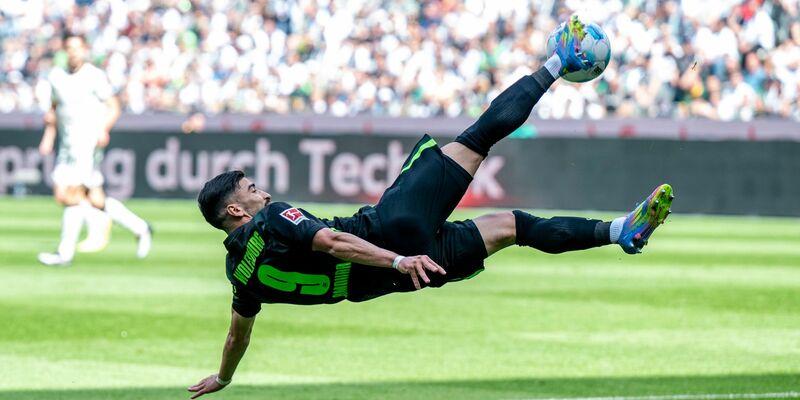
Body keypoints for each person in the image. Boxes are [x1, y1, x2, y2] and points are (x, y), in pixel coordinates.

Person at [188, 18, 675, 398]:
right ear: (237, 211)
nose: (262, 193)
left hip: (403, 277)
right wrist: (397, 257)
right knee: (477, 139)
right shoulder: (272, 219)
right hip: (392, 237)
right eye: (251, 189)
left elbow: (237, 338)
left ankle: (621, 231)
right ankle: (559, 61)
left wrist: (224, 378)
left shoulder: (240, 276)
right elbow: (332, 241)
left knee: (514, 227)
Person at [37, 33, 152, 267]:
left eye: (77, 47)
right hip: (67, 145)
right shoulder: (56, 77)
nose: (73, 52)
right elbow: (53, 110)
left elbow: (114, 106)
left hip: (86, 142)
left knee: (70, 194)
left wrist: (103, 129)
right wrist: (48, 138)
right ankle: (141, 228)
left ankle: (64, 253)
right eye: (69, 47)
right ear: (64, 51)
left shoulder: (94, 76)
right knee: (95, 199)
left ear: (84, 50)